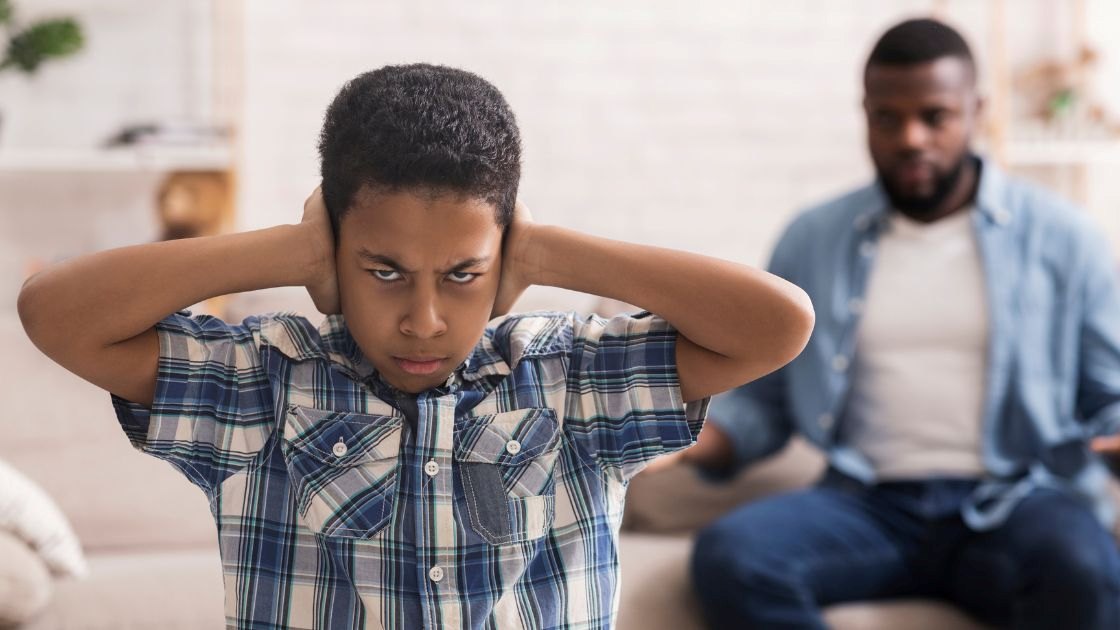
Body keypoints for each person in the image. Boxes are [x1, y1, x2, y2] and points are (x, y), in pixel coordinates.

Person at [17, 63, 813, 629]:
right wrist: (287, 253)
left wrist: (550, 256)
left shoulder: (572, 380)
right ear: (335, 253)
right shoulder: (262, 383)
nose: (425, 319)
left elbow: (780, 324)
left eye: (464, 273)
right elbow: (54, 314)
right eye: (385, 270)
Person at [686, 18, 1120, 630]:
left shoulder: (1066, 239)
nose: (910, 138)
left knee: (1086, 569)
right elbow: (765, 401)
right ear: (865, 116)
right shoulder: (812, 240)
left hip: (1015, 499)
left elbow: (1107, 396)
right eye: (887, 118)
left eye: (935, 116)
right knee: (733, 558)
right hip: (867, 505)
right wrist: (676, 439)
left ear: (977, 112)